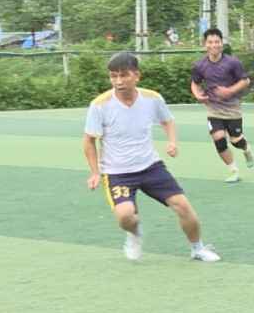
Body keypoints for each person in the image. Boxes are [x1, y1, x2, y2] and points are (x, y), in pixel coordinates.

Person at [83, 52, 220, 262]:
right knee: (125, 216)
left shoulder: (152, 98)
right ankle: (134, 233)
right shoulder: (100, 105)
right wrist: (94, 172)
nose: (118, 81)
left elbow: (167, 121)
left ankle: (197, 248)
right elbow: (89, 140)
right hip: (117, 173)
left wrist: (172, 141)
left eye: (123, 75)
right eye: (113, 76)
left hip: (151, 167)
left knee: (183, 206)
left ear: (137, 75)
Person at [190, 28, 254, 183]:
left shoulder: (233, 62)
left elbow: (246, 81)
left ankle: (246, 149)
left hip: (232, 108)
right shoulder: (199, 65)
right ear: (205, 44)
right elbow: (195, 83)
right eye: (210, 42)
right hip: (213, 109)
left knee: (236, 140)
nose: (214, 45)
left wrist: (229, 91)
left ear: (222, 43)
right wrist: (197, 94)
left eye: (217, 42)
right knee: (218, 138)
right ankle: (233, 171)